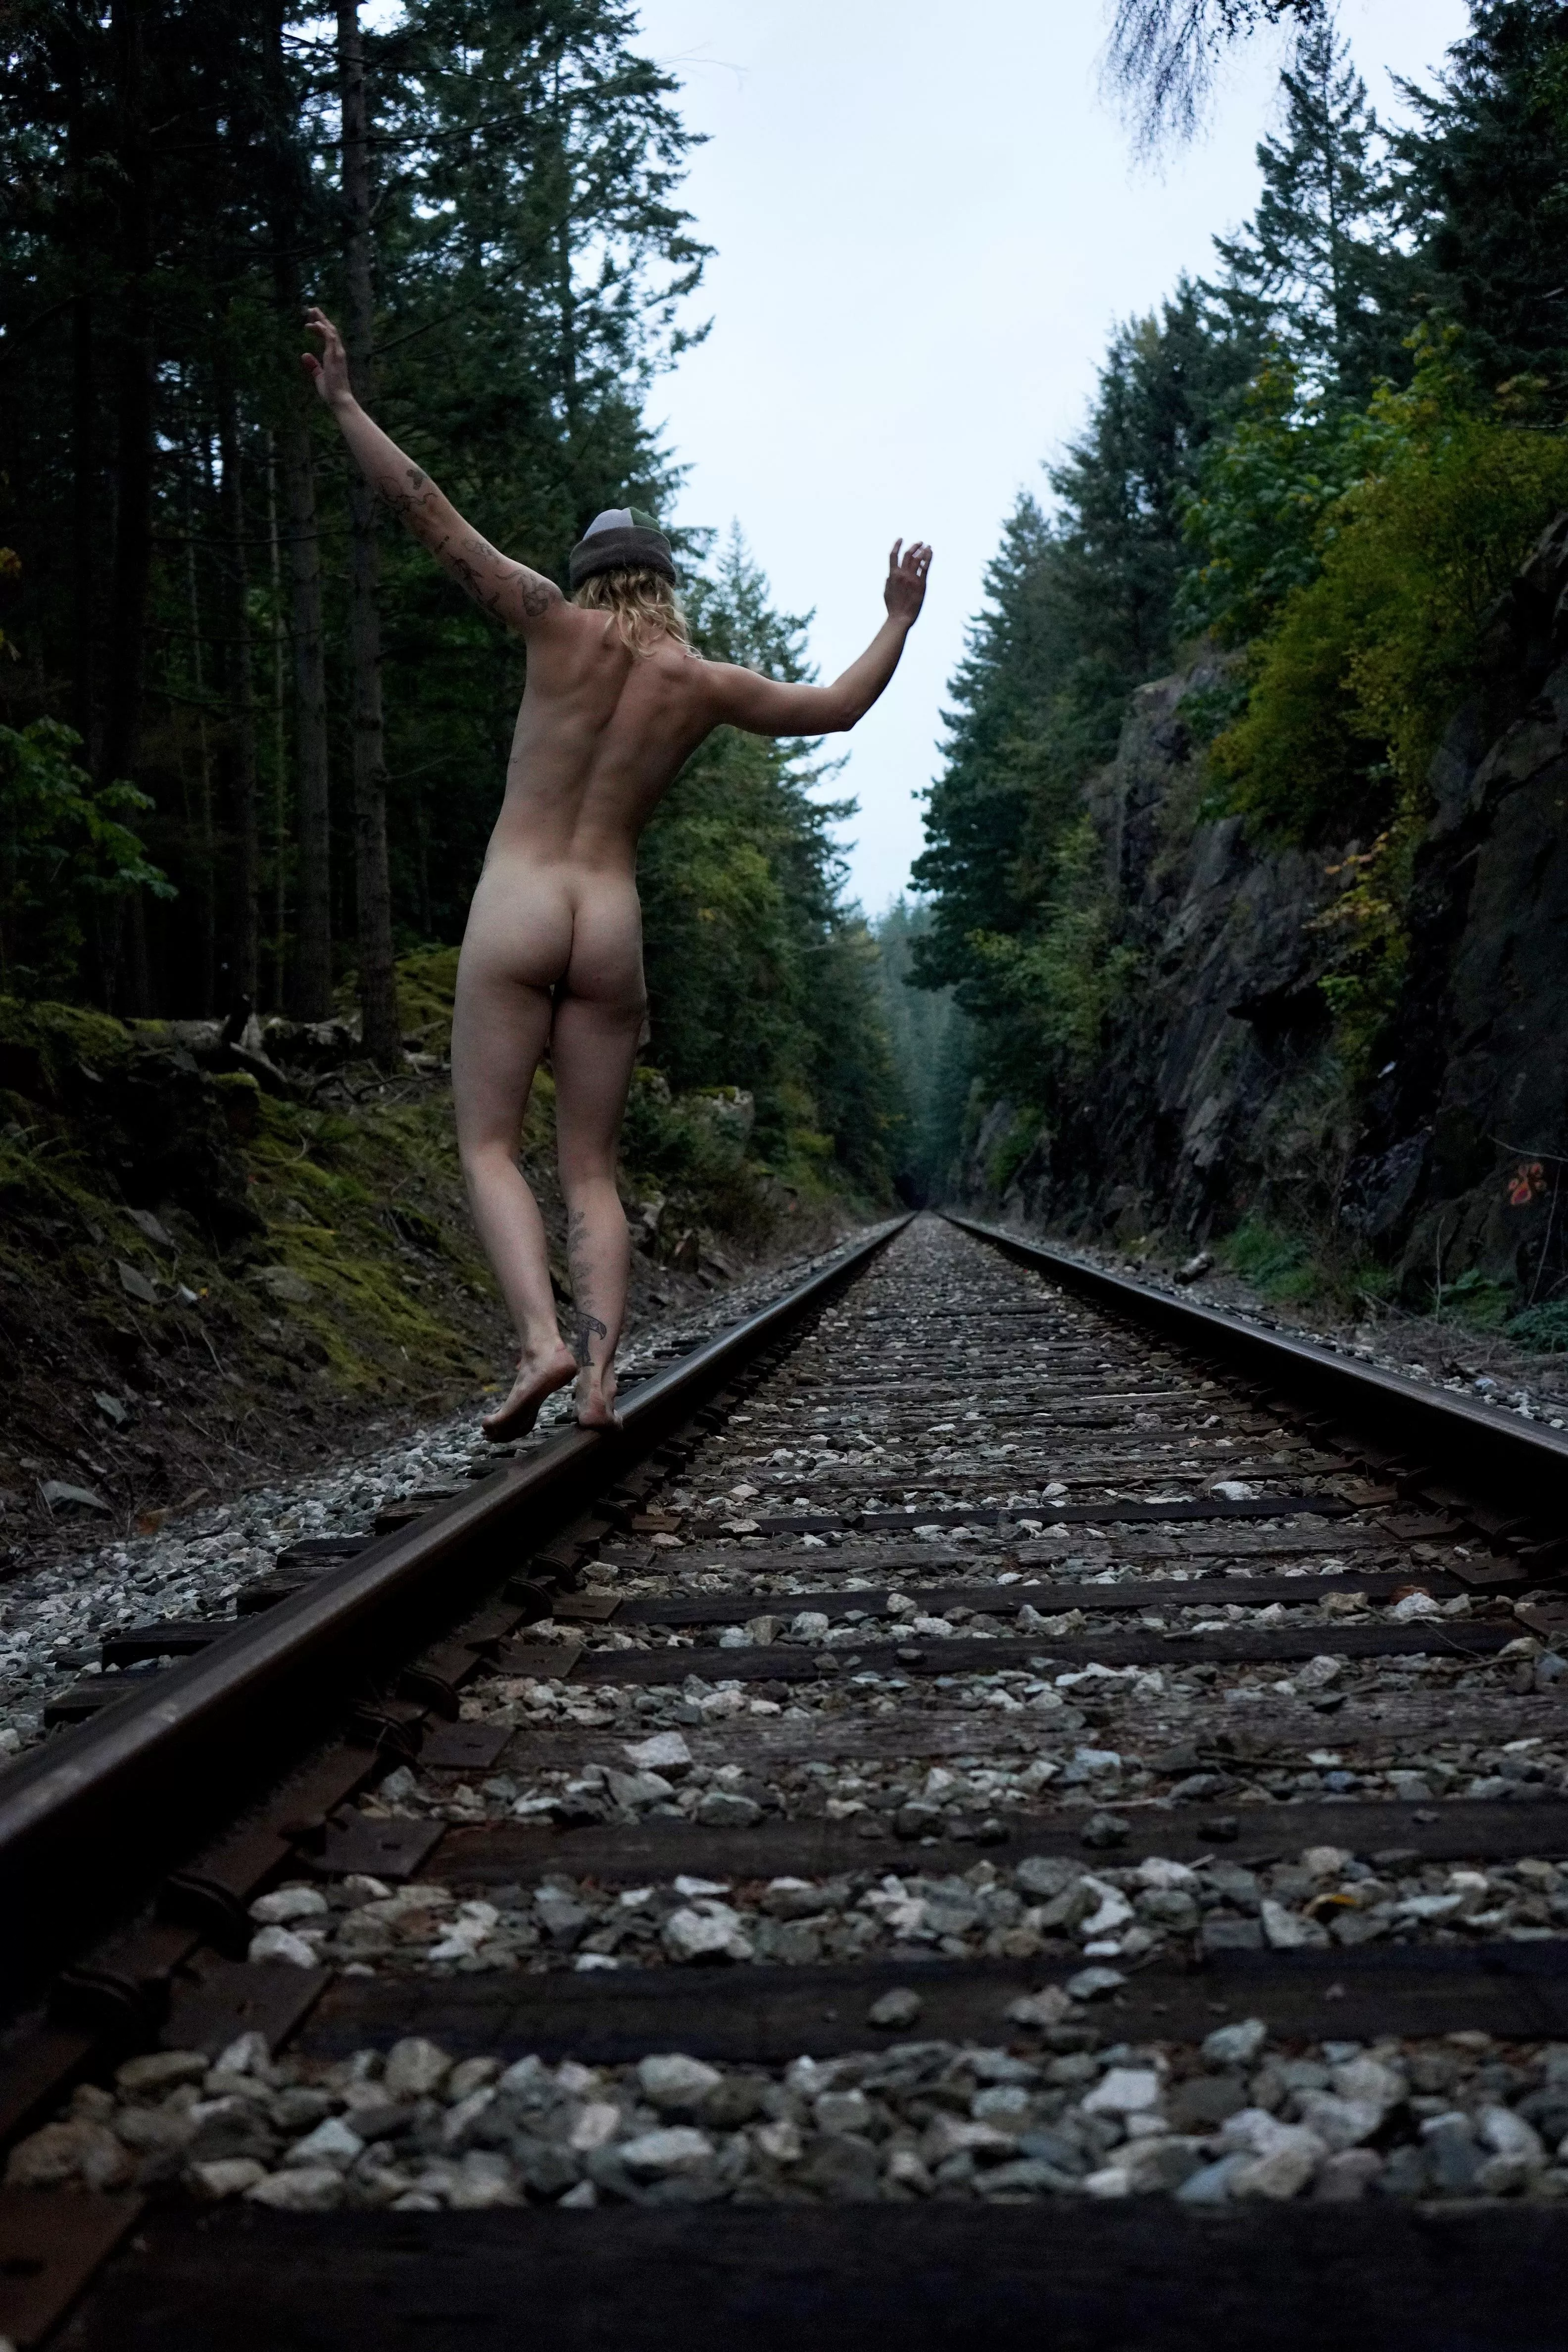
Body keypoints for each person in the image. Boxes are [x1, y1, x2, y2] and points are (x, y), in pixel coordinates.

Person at [303, 306, 930, 1439]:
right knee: (590, 1166)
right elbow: (837, 708)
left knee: (490, 1144)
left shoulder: (549, 621)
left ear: (592, 581)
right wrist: (896, 619)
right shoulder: (703, 681)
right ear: (665, 582)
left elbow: (426, 508)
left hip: (521, 901)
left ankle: (538, 1343)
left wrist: (347, 403)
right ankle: (597, 1384)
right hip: (610, 921)